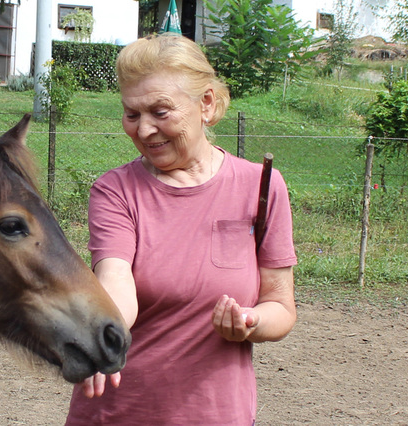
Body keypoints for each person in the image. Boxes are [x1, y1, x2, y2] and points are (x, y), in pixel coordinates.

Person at [65, 34, 297, 425]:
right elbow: (115, 279)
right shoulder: (115, 190)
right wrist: (102, 335)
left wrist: (250, 323)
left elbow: (281, 306)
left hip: (218, 415)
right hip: (117, 415)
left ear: (205, 104)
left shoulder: (262, 187)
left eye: (160, 111)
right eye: (132, 114)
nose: (144, 130)